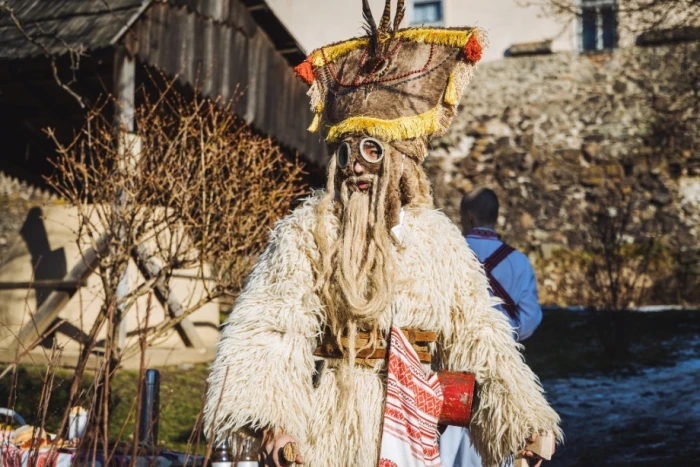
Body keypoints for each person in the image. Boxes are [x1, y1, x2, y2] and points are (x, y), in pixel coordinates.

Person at [204, 2, 561, 467]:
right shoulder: (308, 233)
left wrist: (522, 421)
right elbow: (270, 328)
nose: (355, 165)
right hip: (330, 427)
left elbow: (481, 335)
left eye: (370, 150)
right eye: (347, 151)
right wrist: (273, 421)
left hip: (414, 428)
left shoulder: (438, 242)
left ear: (398, 162)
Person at [440, 188, 545, 466]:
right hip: (501, 368)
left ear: (469, 216)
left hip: (453, 366)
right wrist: (503, 337)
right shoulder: (518, 262)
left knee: (450, 448)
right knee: (496, 439)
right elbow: (531, 318)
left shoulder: (447, 256)